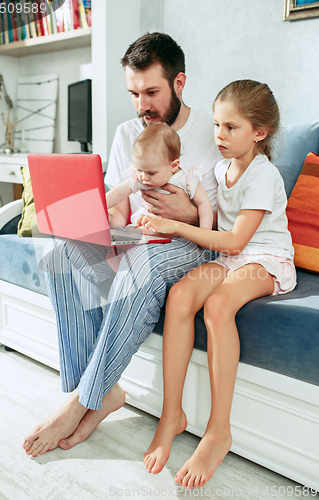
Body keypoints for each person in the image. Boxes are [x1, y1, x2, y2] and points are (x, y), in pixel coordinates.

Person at [21, 32, 221, 458]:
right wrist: (97, 230)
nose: (141, 105)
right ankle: (99, 390)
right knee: (61, 254)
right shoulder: (128, 132)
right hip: (139, 234)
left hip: (190, 243)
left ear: (179, 83)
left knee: (142, 265)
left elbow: (226, 220)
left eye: (151, 92)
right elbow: (116, 200)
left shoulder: (212, 130)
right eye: (133, 93)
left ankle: (80, 403)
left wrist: (183, 214)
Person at [141, 80, 297, 489]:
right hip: (228, 258)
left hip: (265, 257)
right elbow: (206, 218)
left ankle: (218, 431)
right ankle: (172, 413)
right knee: (179, 297)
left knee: (218, 306)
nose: (220, 137)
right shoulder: (218, 169)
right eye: (216, 126)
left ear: (259, 132)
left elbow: (236, 240)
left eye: (231, 128)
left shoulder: (264, 175)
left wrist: (175, 223)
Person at [106, 123, 214, 231]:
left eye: (151, 173)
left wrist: (205, 231)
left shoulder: (187, 178)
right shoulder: (139, 178)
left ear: (173, 166)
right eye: (139, 170)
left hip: (179, 235)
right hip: (145, 230)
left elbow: (204, 204)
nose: (144, 177)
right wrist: (98, 207)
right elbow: (118, 193)